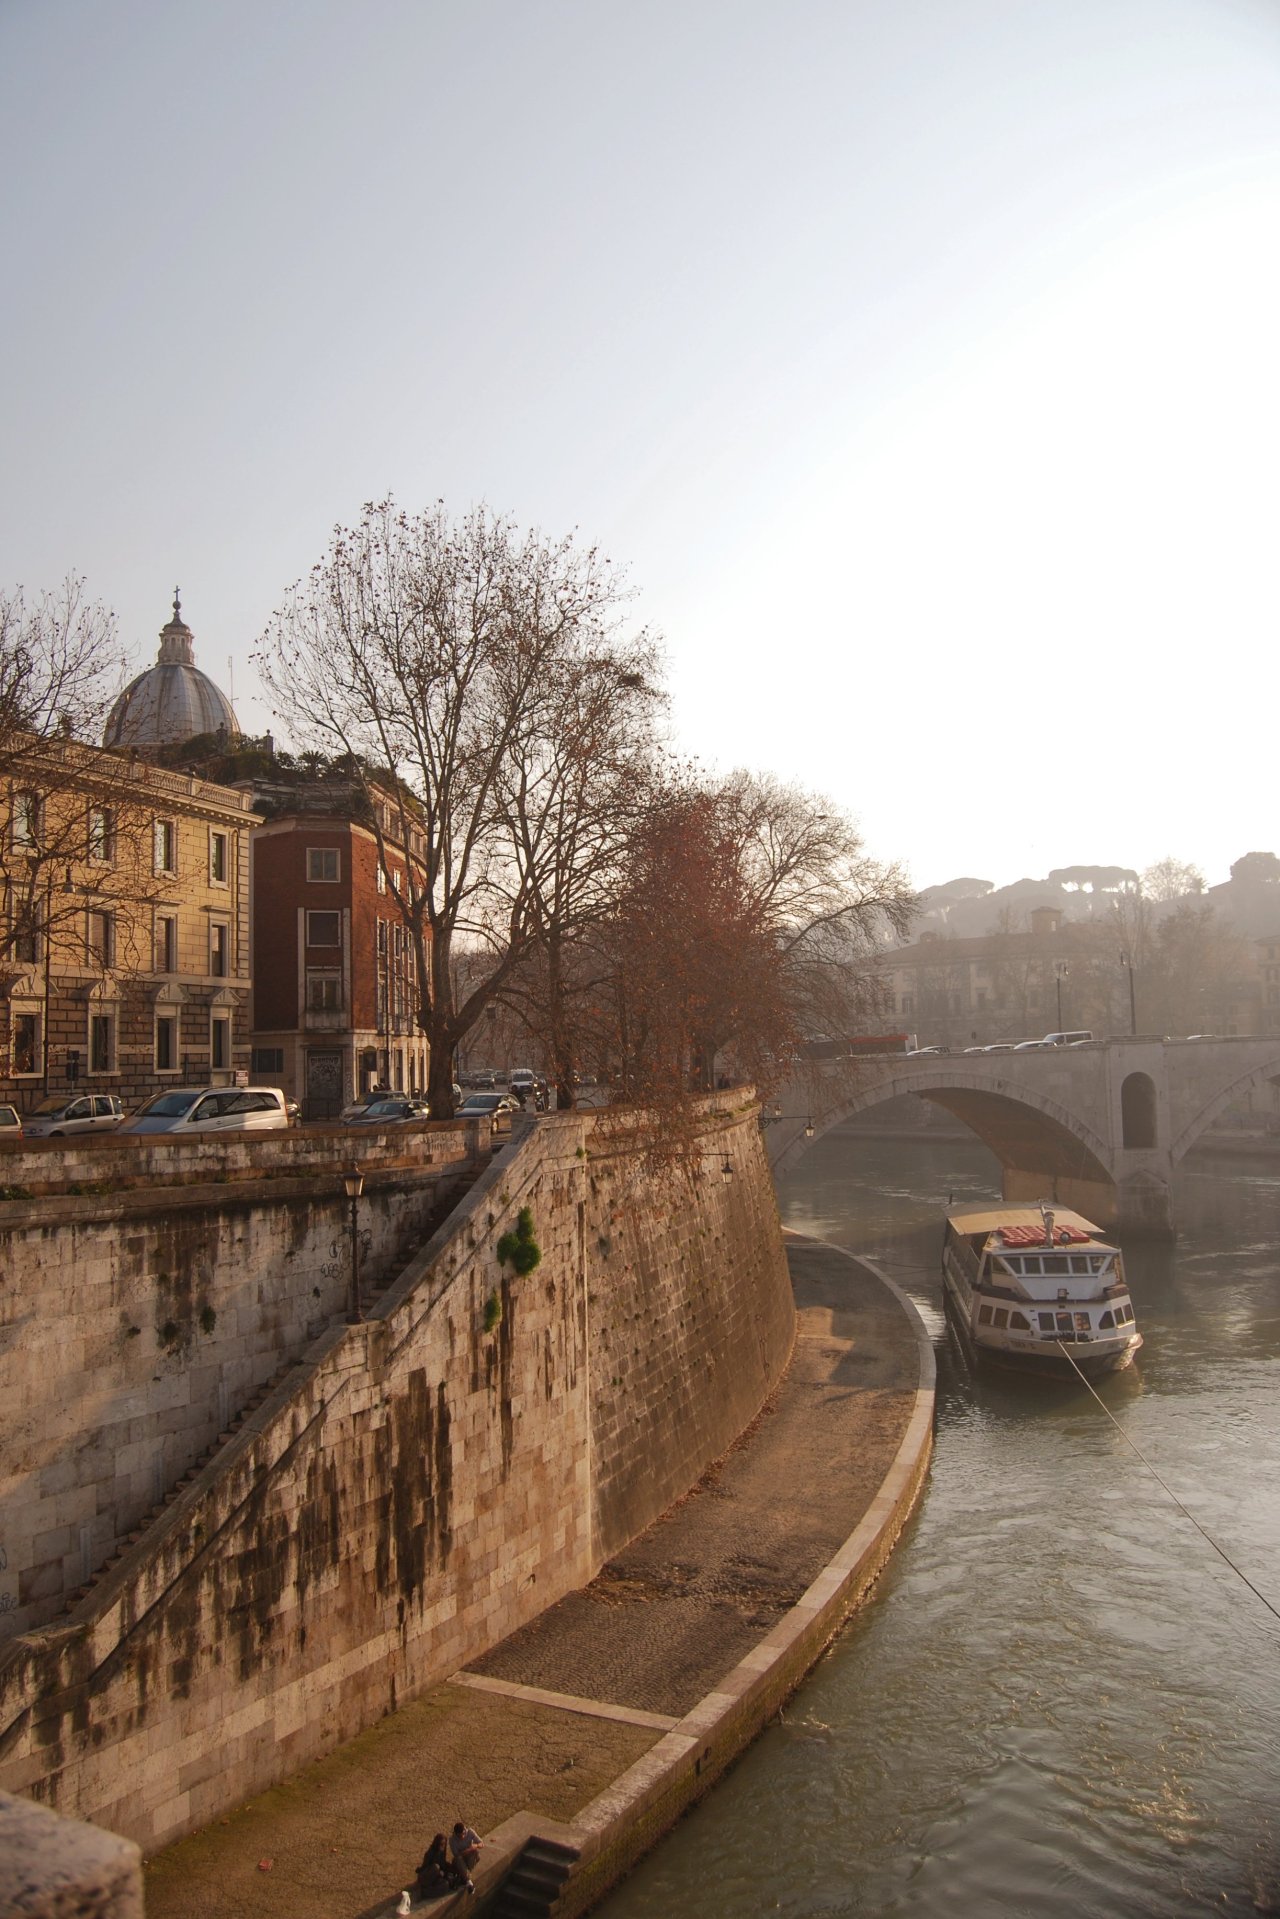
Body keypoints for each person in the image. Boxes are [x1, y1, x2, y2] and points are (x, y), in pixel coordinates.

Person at [449, 1821, 482, 1891]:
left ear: (464, 1830)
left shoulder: (470, 1832)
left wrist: (475, 1845)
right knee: (459, 1859)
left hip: (470, 1857)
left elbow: (481, 1844)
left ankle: (464, 1878)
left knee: (475, 1852)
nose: (462, 1837)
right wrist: (467, 1850)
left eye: (463, 1834)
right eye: (460, 1836)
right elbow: (456, 1855)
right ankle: (468, 1881)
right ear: (456, 1834)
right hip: (461, 1859)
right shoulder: (452, 1840)